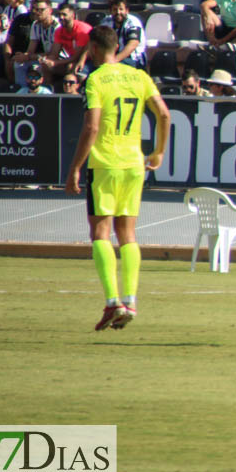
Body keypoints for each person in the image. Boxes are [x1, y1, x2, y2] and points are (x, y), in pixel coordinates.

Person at [64, 25, 171, 332]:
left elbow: (92, 128)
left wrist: (75, 167)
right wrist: (159, 153)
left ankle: (113, 301)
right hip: (134, 163)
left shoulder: (96, 79)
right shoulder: (139, 75)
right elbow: (164, 114)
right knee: (128, 234)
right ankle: (131, 299)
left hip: (106, 163)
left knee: (100, 232)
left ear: (95, 49)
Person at [102, 0, 147, 69]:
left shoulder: (133, 22)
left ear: (127, 10)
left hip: (134, 59)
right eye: (115, 9)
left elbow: (132, 44)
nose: (118, 12)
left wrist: (114, 60)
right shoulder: (106, 21)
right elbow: (95, 39)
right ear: (110, 11)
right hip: (112, 59)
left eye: (121, 9)